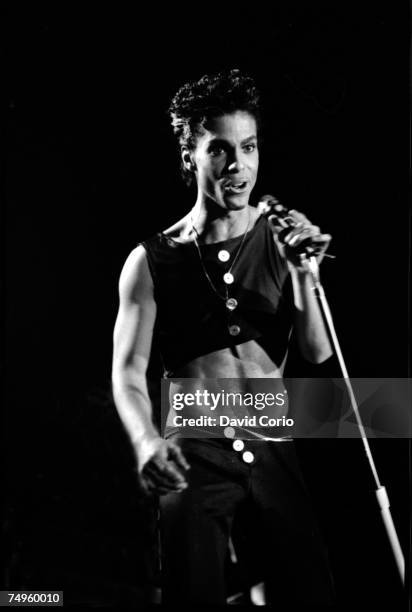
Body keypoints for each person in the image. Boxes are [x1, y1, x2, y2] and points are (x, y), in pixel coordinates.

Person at [111, 69, 335, 605]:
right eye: (220, 150)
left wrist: (306, 274)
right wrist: (145, 441)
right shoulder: (151, 259)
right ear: (191, 154)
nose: (239, 167)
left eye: (250, 147)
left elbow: (317, 351)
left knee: (304, 590)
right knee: (195, 592)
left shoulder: (282, 237)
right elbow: (127, 371)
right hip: (194, 444)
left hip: (272, 439)